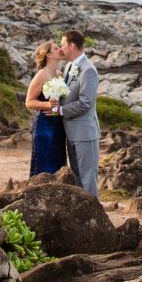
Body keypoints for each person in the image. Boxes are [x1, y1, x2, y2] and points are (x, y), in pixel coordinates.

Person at [54, 28, 101, 196]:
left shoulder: (88, 70)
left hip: (85, 134)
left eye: (63, 45)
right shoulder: (69, 66)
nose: (61, 49)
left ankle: (95, 217)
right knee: (77, 178)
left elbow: (85, 103)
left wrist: (60, 110)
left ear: (72, 46)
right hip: (72, 133)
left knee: (87, 179)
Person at [24, 40, 68, 177]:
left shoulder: (60, 74)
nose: (60, 49)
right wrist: (47, 105)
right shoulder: (41, 75)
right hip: (45, 125)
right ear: (48, 55)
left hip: (59, 125)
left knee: (58, 159)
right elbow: (29, 102)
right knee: (45, 161)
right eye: (56, 48)